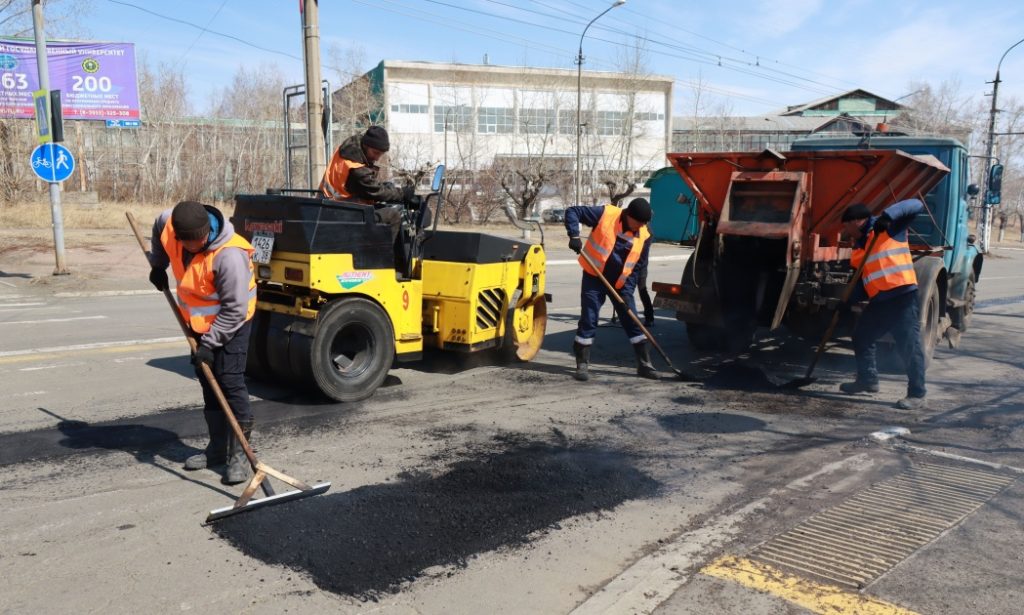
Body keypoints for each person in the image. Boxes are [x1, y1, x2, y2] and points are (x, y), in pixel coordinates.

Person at [148, 200, 258, 484]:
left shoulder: (229, 255)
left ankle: (240, 455)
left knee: (229, 382)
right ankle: (217, 450)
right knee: (208, 382)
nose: (193, 246)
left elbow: (234, 309)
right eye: (187, 243)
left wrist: (210, 344)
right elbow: (159, 226)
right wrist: (158, 265)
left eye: (198, 241)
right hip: (197, 323)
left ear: (207, 232)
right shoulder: (169, 224)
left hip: (233, 323)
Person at [838, 200, 928, 410]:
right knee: (862, 336)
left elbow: (916, 204)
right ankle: (867, 380)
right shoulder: (858, 250)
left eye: (846, 225)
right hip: (880, 302)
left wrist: (887, 216)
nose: (845, 230)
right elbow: (860, 284)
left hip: (902, 298)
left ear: (857, 221)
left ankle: (917, 394)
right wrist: (846, 303)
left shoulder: (889, 229)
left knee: (909, 346)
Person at [565, 197, 659, 381]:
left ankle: (645, 364)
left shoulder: (645, 234)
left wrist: (627, 289)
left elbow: (638, 266)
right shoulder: (607, 214)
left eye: (643, 223)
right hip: (595, 276)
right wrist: (574, 236)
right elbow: (572, 211)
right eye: (638, 222)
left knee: (633, 320)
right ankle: (582, 364)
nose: (640, 226)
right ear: (628, 215)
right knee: (589, 318)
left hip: (622, 283)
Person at [319, 125, 419, 243]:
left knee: (382, 209)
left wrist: (386, 187)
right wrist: (403, 193)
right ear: (366, 145)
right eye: (375, 153)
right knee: (393, 215)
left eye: (380, 154)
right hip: (341, 212)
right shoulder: (355, 167)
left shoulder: (348, 150)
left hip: (330, 206)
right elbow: (375, 191)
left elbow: (362, 187)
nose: (377, 158)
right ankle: (381, 258)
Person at [609, 258, 654, 327]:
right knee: (631, 293)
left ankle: (648, 318)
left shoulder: (642, 248)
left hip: (638, 270)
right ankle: (630, 318)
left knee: (640, 292)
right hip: (631, 270)